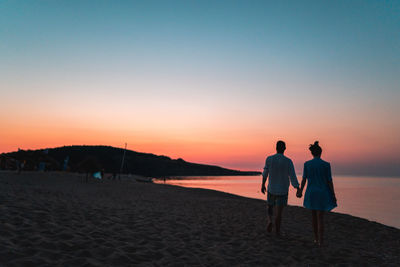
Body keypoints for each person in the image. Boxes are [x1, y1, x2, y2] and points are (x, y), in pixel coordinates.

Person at [297, 141, 337, 246]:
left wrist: (300, 190)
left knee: (314, 217)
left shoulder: (307, 164)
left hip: (311, 193)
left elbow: (304, 179)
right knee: (320, 218)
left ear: (312, 153)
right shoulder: (326, 165)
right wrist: (333, 194)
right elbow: (329, 181)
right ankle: (321, 241)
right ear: (321, 152)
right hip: (322, 193)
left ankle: (315, 239)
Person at [261, 140, 301, 236]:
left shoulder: (269, 159)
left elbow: (265, 173)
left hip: (271, 189)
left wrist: (262, 185)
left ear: (276, 148)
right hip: (282, 190)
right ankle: (277, 232)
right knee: (279, 213)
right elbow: (292, 176)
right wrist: (297, 188)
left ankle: (270, 221)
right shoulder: (288, 161)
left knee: (270, 207)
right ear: (285, 149)